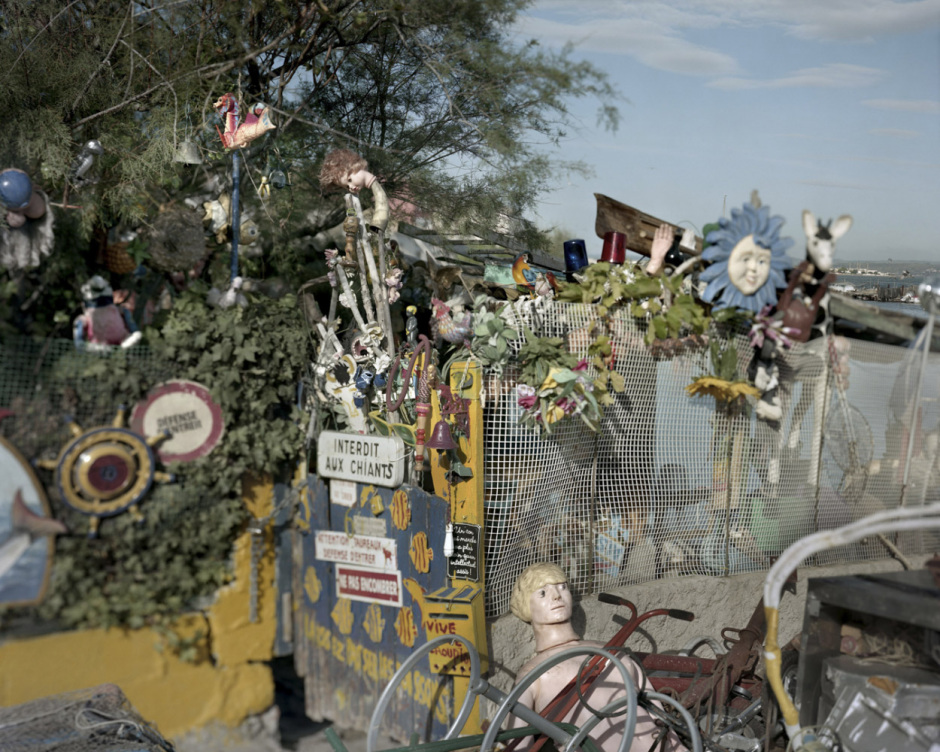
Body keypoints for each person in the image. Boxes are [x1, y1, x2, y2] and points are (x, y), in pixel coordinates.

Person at [507, 563, 686, 752]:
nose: (557, 596)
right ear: (525, 605)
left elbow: (654, 708)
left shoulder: (609, 649)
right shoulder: (534, 673)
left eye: (563, 587)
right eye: (543, 593)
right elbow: (517, 744)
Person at [318, 149, 389, 232]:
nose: (351, 187)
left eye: (350, 180)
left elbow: (381, 199)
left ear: (357, 166)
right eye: (347, 187)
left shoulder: (374, 183)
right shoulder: (351, 198)